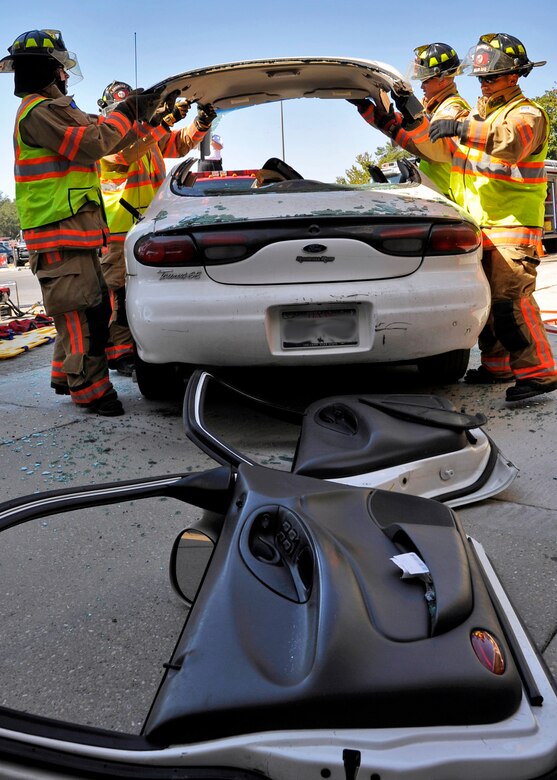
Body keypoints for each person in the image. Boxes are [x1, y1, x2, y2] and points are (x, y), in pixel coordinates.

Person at [0, 29, 162, 416]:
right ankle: (90, 391)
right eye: (61, 70)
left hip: (76, 233)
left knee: (82, 310)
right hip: (58, 234)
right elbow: (92, 144)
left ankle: (65, 375)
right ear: (47, 70)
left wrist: (149, 117)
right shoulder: (40, 112)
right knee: (82, 315)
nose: (66, 78)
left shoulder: (56, 111)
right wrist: (128, 112)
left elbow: (108, 137)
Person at [426, 33, 557, 401]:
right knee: (488, 305)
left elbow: (512, 141)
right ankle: (497, 367)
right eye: (481, 79)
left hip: (514, 226)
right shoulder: (483, 116)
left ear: (514, 76)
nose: (484, 84)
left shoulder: (527, 113)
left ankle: (540, 373)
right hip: (484, 225)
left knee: (510, 301)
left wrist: (460, 127)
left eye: (492, 77)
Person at [97, 82, 216, 376]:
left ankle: (143, 347)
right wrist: (166, 122)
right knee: (120, 296)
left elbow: (177, 144)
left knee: (145, 292)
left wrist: (199, 124)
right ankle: (119, 353)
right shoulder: (105, 140)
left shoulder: (147, 137)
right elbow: (125, 156)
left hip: (148, 228)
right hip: (118, 233)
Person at [349, 42, 469, 198]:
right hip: (437, 194)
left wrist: (412, 122)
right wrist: (386, 122)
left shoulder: (452, 109)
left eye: (425, 80)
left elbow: (436, 151)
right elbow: (416, 140)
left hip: (450, 197)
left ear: (444, 78)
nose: (421, 86)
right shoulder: (432, 106)